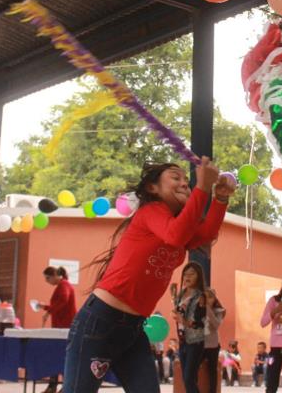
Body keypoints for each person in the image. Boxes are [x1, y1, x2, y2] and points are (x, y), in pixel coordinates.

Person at [62, 158, 235, 392]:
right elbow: (174, 235)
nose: (184, 183)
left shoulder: (180, 225)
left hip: (133, 328)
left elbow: (204, 235)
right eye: (176, 177)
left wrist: (220, 198)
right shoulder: (152, 211)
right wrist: (202, 188)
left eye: (186, 179)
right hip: (100, 321)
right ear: (153, 188)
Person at [173, 262, 222, 393]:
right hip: (183, 340)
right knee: (188, 379)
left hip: (196, 341)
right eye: (185, 274)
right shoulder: (181, 294)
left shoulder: (201, 296)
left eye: (192, 274)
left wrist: (183, 320)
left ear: (199, 277)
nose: (187, 277)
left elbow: (201, 323)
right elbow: (179, 315)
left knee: (189, 378)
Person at [40, 265, 77, 393]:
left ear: (55, 275)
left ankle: (65, 386)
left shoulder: (64, 286)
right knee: (56, 356)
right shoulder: (62, 286)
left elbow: (63, 300)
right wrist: (45, 308)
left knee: (63, 357)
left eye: (48, 278)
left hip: (65, 328)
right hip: (60, 328)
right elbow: (58, 304)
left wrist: (48, 312)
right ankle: (53, 385)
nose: (47, 282)